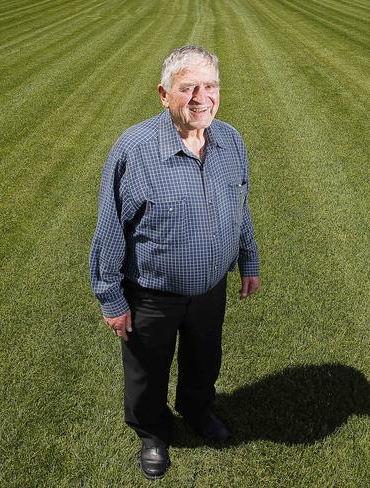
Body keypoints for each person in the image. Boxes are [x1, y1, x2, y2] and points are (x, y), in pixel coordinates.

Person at [89, 45, 260, 480]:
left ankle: (198, 411)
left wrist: (249, 259)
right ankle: (153, 433)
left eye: (211, 86)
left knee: (205, 359)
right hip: (151, 294)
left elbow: (239, 205)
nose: (202, 97)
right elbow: (110, 227)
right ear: (164, 95)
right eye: (189, 88)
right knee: (147, 371)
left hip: (209, 289)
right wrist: (110, 297)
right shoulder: (134, 150)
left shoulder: (231, 140)